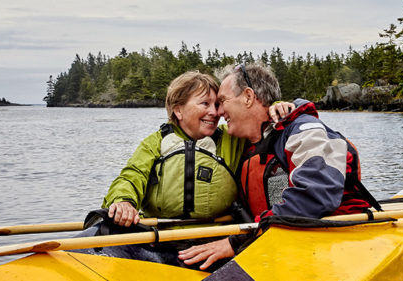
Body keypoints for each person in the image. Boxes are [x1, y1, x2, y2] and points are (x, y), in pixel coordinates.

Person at [75, 71, 294, 268]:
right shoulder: (155, 143)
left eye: (217, 104)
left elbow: (257, 119)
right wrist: (123, 201)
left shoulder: (231, 139)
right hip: (159, 241)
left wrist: (278, 107)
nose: (215, 112)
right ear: (178, 110)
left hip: (215, 240)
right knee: (97, 234)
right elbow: (132, 176)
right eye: (204, 104)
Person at [178, 63, 379, 270]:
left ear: (248, 97)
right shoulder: (246, 146)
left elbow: (317, 193)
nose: (218, 111)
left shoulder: (304, 130)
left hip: (333, 248)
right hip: (276, 244)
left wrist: (237, 242)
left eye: (222, 101)